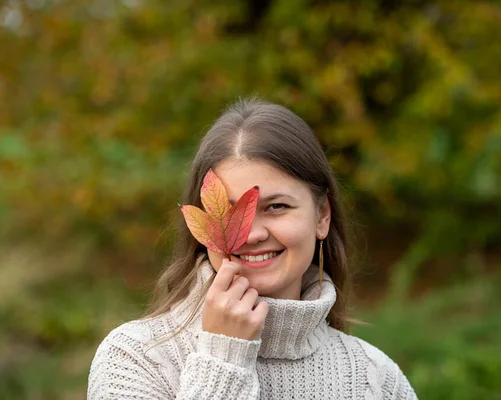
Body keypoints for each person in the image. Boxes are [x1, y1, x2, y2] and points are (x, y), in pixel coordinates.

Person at [87, 98, 418, 399]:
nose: (252, 233)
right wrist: (223, 360)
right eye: (231, 212)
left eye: (276, 207)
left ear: (322, 216)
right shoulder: (135, 359)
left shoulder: (375, 380)